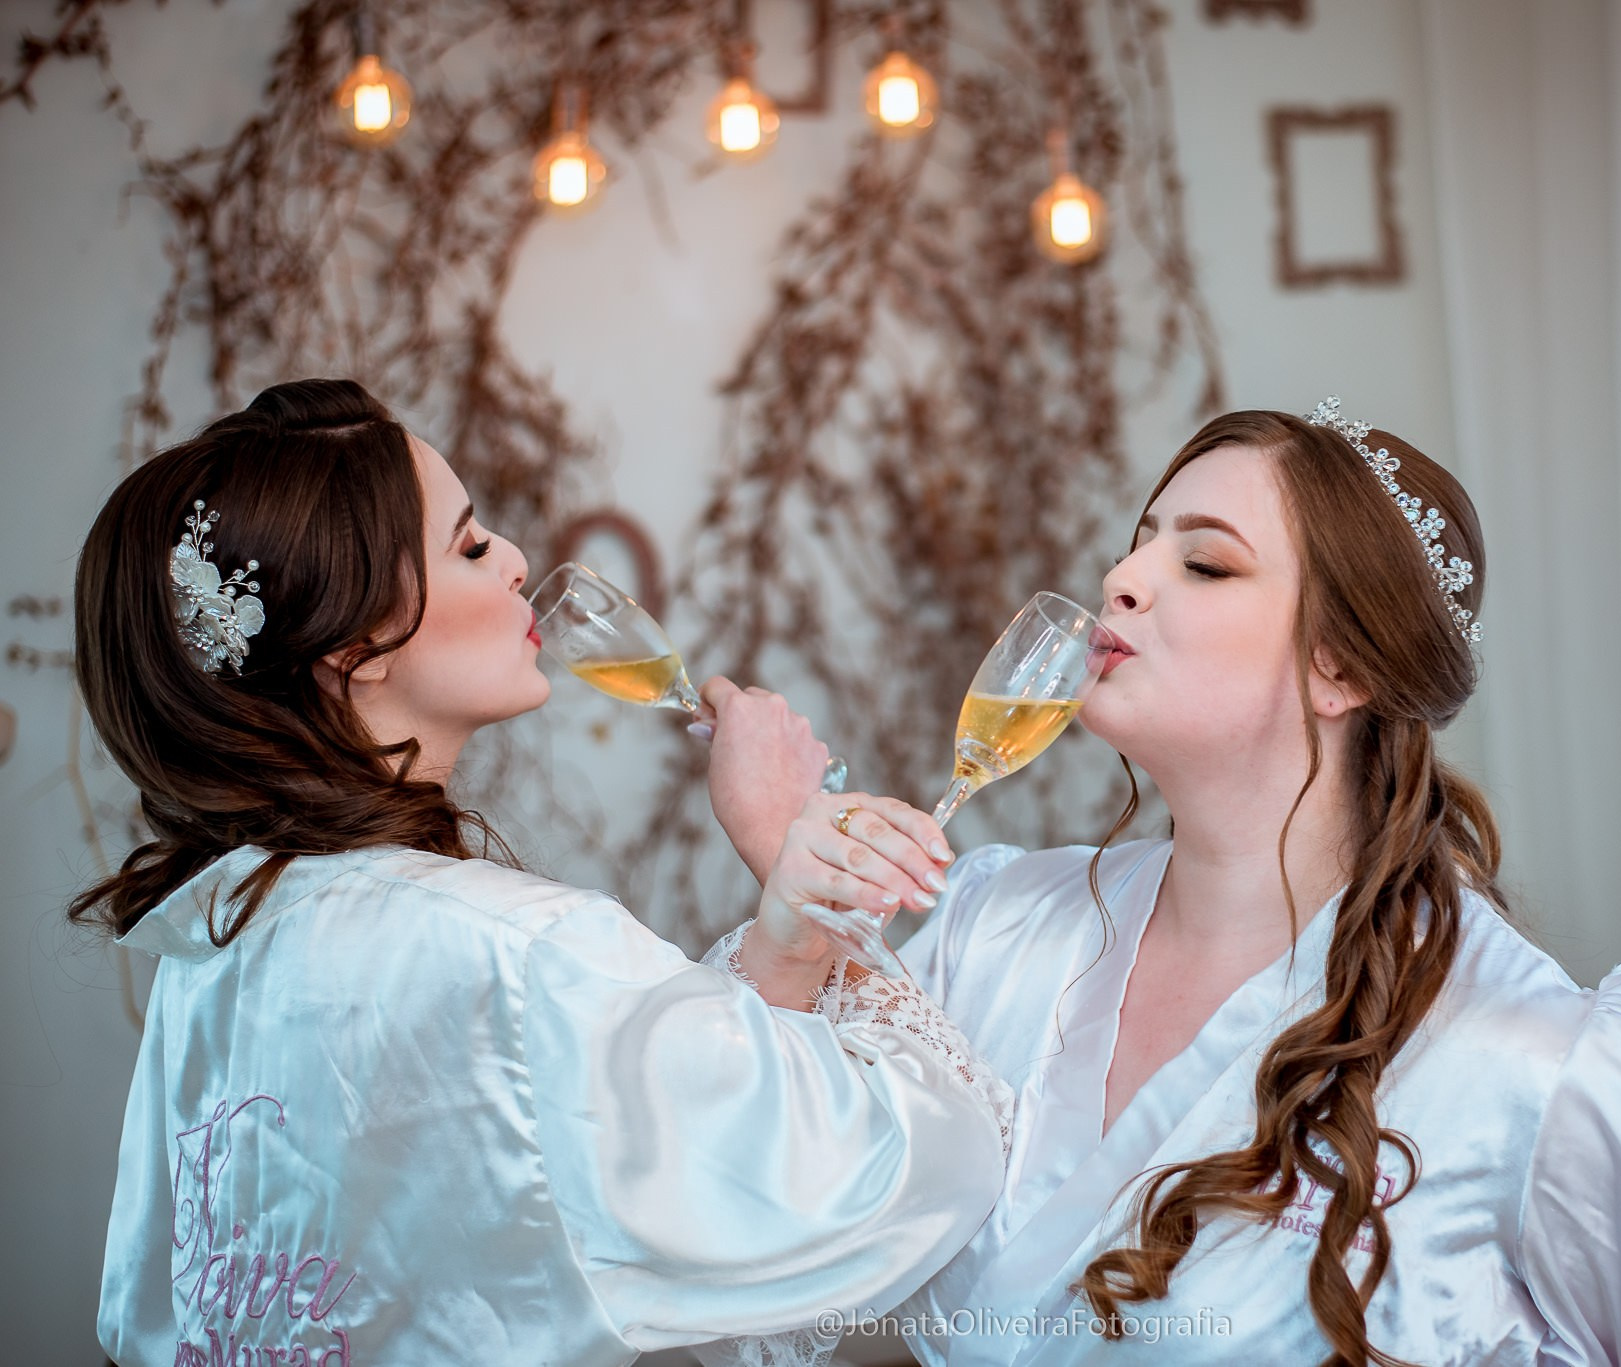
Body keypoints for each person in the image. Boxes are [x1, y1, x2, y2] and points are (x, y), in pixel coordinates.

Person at [735, 401, 1621, 1365]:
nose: (1119, 577)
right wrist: (788, 934)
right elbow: (751, 1227)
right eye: (1137, 542)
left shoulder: (1530, 1066)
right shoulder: (993, 926)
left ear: (1339, 664)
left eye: (1202, 560)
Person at [72, 378, 1007, 1367]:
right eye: (470, 545)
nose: (518, 558)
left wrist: (787, 939)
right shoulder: (520, 958)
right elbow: (917, 1166)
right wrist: (793, 852)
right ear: (358, 646)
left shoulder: (211, 945)